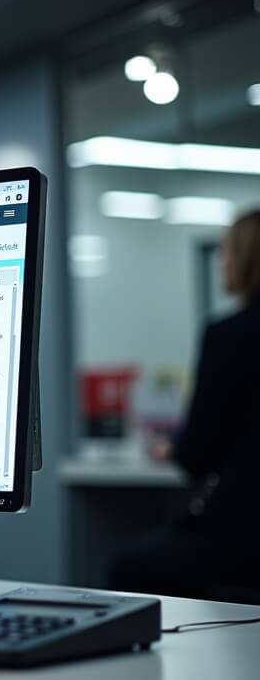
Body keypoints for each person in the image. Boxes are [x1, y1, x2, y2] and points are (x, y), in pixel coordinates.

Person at [113, 210, 260, 600]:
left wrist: (172, 448)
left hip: (243, 538)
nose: (221, 264)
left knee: (126, 565)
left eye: (227, 253)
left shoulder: (229, 335)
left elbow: (196, 455)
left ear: (244, 259)